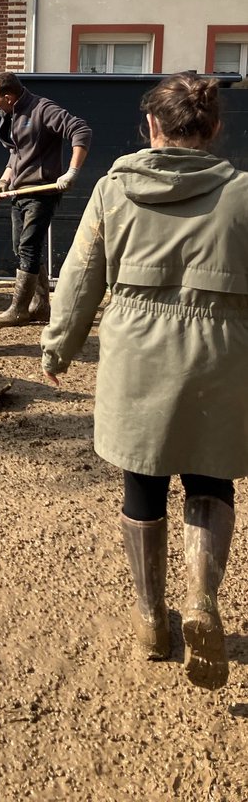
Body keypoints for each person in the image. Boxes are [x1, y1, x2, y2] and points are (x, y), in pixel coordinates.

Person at [41, 73, 248, 691]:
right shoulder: (243, 194)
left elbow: (80, 277)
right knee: (210, 477)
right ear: (211, 129)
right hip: (224, 356)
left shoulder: (113, 191)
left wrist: (59, 345)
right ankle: (202, 600)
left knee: (143, 481)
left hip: (137, 356)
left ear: (152, 127)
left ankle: (152, 618)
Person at [0, 71, 92, 326]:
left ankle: (19, 309)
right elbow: (16, 154)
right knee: (19, 247)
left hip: (41, 192)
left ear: (9, 97)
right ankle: (41, 305)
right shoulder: (12, 117)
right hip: (18, 192)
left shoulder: (42, 109)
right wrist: (3, 181)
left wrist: (72, 172)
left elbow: (81, 130)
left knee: (28, 248)